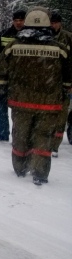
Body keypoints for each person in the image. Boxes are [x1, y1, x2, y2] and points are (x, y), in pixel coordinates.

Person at [0, 8, 72, 185]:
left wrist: (0, 92)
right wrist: (65, 93)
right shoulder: (60, 49)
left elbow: (0, 71)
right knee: (43, 138)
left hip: (20, 102)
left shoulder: (13, 46)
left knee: (21, 135)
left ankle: (20, 168)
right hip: (49, 105)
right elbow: (68, 78)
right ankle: (40, 173)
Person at [0, 9, 26, 142]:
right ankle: (2, 134)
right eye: (16, 20)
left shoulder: (30, 36)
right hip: (4, 76)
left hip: (23, 78)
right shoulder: (4, 34)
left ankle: (21, 137)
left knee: (22, 108)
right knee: (0, 103)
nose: (18, 23)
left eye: (21, 20)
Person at [50, 11, 72, 156]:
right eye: (51, 22)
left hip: (65, 81)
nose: (53, 25)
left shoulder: (68, 37)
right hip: (49, 82)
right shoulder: (45, 37)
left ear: (60, 23)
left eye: (55, 22)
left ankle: (55, 146)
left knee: (62, 114)